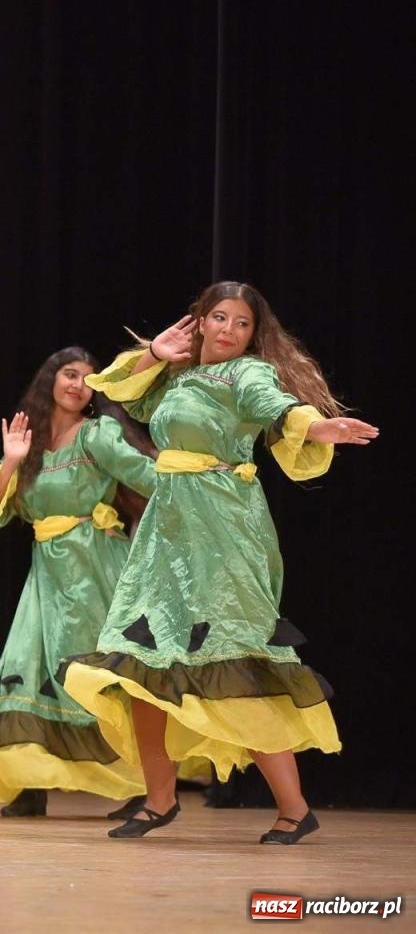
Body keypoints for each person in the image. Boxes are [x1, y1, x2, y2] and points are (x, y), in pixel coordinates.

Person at [62, 282, 378, 844]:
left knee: (235, 665)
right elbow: (117, 391)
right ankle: (159, 800)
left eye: (242, 323)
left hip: (224, 528)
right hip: (166, 534)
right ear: (201, 322)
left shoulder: (247, 374)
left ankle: (294, 808)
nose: (230, 329)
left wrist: (315, 426)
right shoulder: (178, 379)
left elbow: (273, 405)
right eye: (221, 317)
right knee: (143, 665)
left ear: (254, 335)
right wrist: (154, 354)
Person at [0, 347, 156, 818]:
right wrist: (11, 461)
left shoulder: (96, 433)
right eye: (70, 374)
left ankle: (144, 784)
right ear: (50, 379)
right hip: (47, 574)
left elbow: (145, 476)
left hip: (96, 568)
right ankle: (29, 783)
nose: (77, 385)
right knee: (27, 666)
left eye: (88, 379)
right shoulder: (28, 443)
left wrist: (198, 479)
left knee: (100, 675)